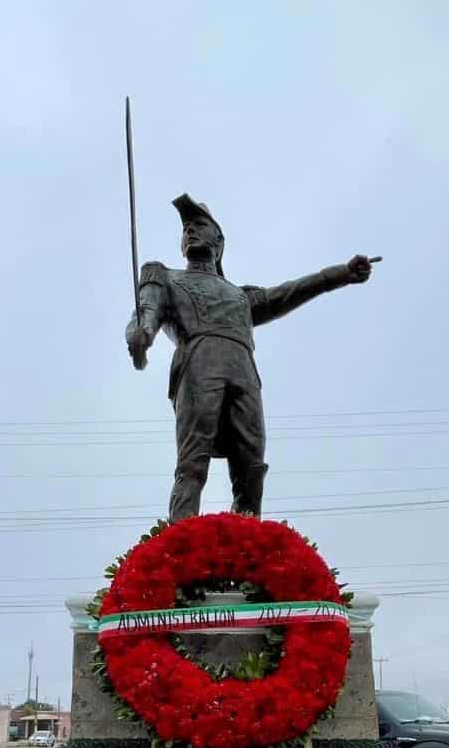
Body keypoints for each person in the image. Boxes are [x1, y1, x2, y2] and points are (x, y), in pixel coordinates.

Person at [127, 193, 374, 520]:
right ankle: (181, 543)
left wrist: (341, 274)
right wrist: (141, 335)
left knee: (251, 466)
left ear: (218, 241)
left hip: (243, 372)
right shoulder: (164, 276)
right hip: (199, 366)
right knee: (192, 462)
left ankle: (248, 547)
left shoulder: (240, 296)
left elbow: (290, 292)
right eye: (186, 228)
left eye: (199, 225)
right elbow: (146, 314)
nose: (189, 232)